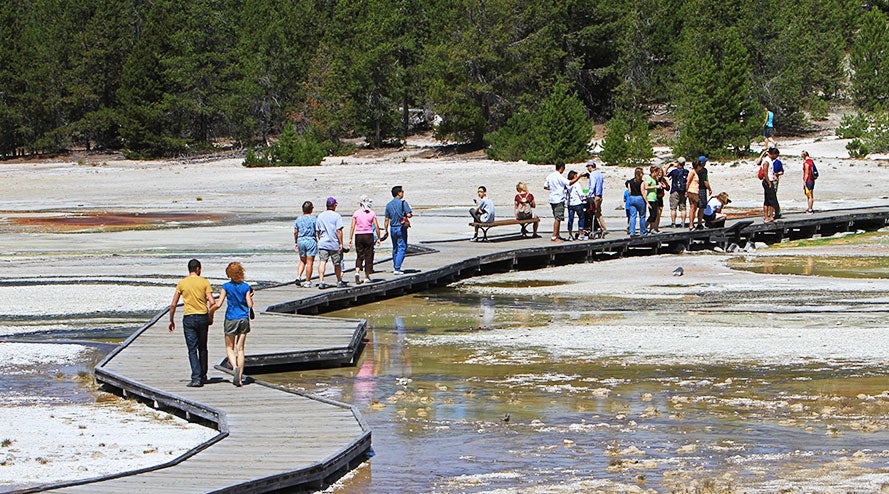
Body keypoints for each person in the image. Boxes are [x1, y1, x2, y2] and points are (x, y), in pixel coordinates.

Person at [168, 259, 217, 388]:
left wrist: (171, 320)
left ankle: (196, 378)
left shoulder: (182, 283)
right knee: (203, 347)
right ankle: (203, 375)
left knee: (192, 349)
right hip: (202, 317)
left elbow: (173, 304)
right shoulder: (204, 282)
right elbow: (212, 302)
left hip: (188, 317)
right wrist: (210, 316)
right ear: (198, 269)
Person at [210, 262, 253, 387]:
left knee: (230, 347)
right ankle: (239, 379)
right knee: (241, 349)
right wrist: (250, 296)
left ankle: (234, 368)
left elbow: (219, 304)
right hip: (243, 319)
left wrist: (210, 311)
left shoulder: (226, 286)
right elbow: (250, 305)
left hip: (231, 318)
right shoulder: (246, 287)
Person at [543, 162, 583, 242]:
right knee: (558, 218)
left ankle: (557, 234)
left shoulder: (550, 176)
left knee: (557, 217)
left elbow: (545, 186)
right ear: (561, 168)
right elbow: (570, 182)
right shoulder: (559, 177)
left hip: (552, 199)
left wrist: (553, 190)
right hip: (558, 199)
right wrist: (579, 177)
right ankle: (554, 236)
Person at [348, 195, 382, 284]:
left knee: (359, 255)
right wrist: (379, 237)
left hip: (358, 235)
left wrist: (350, 238)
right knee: (368, 256)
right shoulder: (372, 213)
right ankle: (367, 276)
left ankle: (357, 271)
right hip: (368, 235)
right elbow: (377, 226)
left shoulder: (356, 213)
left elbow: (352, 226)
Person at [316, 196, 346, 289]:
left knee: (322, 261)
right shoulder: (337, 216)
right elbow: (339, 231)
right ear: (333, 206)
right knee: (337, 263)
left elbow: (318, 231)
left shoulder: (320, 216)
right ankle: (339, 280)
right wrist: (341, 243)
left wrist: (320, 238)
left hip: (323, 242)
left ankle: (321, 281)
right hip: (334, 243)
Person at [383, 185, 411, 275]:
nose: (403, 193)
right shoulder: (403, 203)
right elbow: (409, 214)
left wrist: (386, 230)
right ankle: (397, 268)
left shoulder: (388, 205)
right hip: (401, 228)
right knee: (402, 247)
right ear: (399, 193)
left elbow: (386, 219)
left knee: (395, 247)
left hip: (392, 228)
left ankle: (396, 266)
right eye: (402, 191)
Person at [293, 201, 317, 288]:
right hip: (310, 240)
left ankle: (298, 276)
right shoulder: (314, 219)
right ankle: (307, 281)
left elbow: (295, 231)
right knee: (310, 262)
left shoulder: (298, 219)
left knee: (302, 260)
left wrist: (296, 241)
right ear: (311, 209)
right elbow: (317, 230)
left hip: (301, 240)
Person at [666, 157, 689, 228]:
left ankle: (673, 223)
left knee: (673, 208)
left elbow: (665, 174)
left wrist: (669, 165)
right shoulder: (686, 172)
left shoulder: (674, 171)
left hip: (674, 191)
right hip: (683, 191)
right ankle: (683, 223)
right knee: (683, 208)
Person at [585, 161, 606, 236]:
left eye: (588, 167)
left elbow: (592, 186)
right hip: (600, 195)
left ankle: (596, 228)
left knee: (593, 212)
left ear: (590, 166)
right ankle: (603, 228)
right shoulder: (599, 173)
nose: (587, 168)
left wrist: (589, 194)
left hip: (595, 196)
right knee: (598, 213)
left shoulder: (593, 174)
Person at [626, 167, 648, 236]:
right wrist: (647, 202)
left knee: (632, 216)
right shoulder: (642, 182)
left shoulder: (630, 182)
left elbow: (629, 192)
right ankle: (643, 232)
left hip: (632, 198)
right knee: (642, 216)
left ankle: (632, 232)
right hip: (639, 198)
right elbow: (643, 192)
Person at [760, 148, 779, 222]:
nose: (776, 157)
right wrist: (769, 183)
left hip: (769, 180)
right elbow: (765, 173)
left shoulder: (770, 161)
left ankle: (770, 217)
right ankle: (768, 217)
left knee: (769, 200)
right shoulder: (766, 161)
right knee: (770, 200)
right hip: (767, 181)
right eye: (776, 155)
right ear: (773, 154)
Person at [566, 171, 585, 240]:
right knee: (581, 218)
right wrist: (585, 198)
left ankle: (570, 234)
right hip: (577, 203)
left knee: (570, 219)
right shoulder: (576, 184)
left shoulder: (567, 184)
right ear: (574, 176)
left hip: (570, 204)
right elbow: (581, 194)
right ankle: (581, 234)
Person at [694, 156, 712, 229]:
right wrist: (709, 189)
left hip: (694, 189)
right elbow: (705, 181)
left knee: (695, 207)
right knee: (702, 207)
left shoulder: (695, 169)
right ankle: (699, 223)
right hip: (701, 189)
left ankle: (694, 223)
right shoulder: (703, 170)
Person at [644, 166, 663, 233]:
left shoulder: (654, 179)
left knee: (655, 214)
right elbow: (646, 187)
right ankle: (644, 227)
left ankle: (652, 228)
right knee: (652, 215)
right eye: (657, 172)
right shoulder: (649, 178)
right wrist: (655, 186)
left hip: (654, 198)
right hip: (650, 198)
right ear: (654, 172)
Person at [686, 160, 701, 231]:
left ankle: (692, 223)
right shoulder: (692, 172)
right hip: (692, 191)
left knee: (695, 208)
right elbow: (688, 181)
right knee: (692, 208)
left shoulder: (696, 172)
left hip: (695, 191)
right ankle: (691, 225)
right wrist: (686, 191)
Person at [771, 148, 784, 218]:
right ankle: (773, 211)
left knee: (773, 196)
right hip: (769, 180)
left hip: (775, 180)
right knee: (770, 197)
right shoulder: (768, 161)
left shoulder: (778, 162)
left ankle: (776, 211)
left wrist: (776, 174)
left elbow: (782, 171)